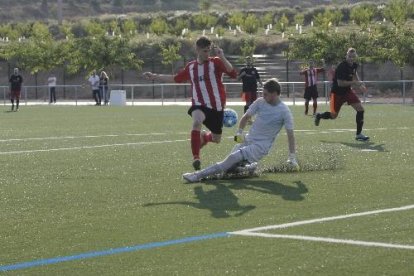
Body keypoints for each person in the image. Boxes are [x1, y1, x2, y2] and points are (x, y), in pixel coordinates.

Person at [143, 36, 238, 170]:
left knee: (216, 139)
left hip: (217, 107)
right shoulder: (191, 67)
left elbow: (233, 74)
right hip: (199, 104)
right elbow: (175, 78)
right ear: (197, 50)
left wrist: (222, 56)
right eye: (205, 51)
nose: (207, 54)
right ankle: (196, 158)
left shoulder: (215, 62)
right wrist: (155, 76)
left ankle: (204, 137)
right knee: (196, 122)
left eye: (209, 51)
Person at [182, 78, 299, 183]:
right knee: (229, 168)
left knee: (231, 159)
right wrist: (239, 132)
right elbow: (246, 117)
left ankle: (196, 176)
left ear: (274, 94)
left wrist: (292, 157)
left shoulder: (284, 111)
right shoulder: (260, 102)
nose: (263, 96)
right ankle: (248, 168)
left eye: (265, 94)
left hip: (260, 146)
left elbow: (290, 135)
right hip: (248, 139)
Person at [314, 48, 369, 141]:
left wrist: (360, 84)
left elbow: (354, 74)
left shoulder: (354, 65)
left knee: (360, 109)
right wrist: (355, 83)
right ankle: (319, 116)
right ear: (346, 56)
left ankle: (359, 134)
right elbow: (340, 83)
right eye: (349, 56)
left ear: (355, 57)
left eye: (353, 57)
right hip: (337, 93)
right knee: (333, 115)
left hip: (347, 91)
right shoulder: (341, 67)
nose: (351, 58)